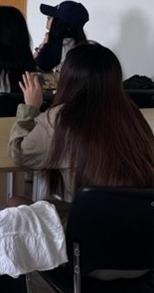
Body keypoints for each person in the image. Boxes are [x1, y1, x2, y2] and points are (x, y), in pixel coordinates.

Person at [10, 41, 154, 206]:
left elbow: (19, 153)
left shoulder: (61, 117)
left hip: (92, 217)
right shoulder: (132, 115)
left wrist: (31, 107)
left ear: (69, 79)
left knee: (14, 202)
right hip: (142, 216)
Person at [34, 0, 88, 73]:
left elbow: (32, 68)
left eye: (49, 17)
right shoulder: (83, 46)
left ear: (58, 22)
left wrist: (42, 46)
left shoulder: (55, 48)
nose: (47, 20)